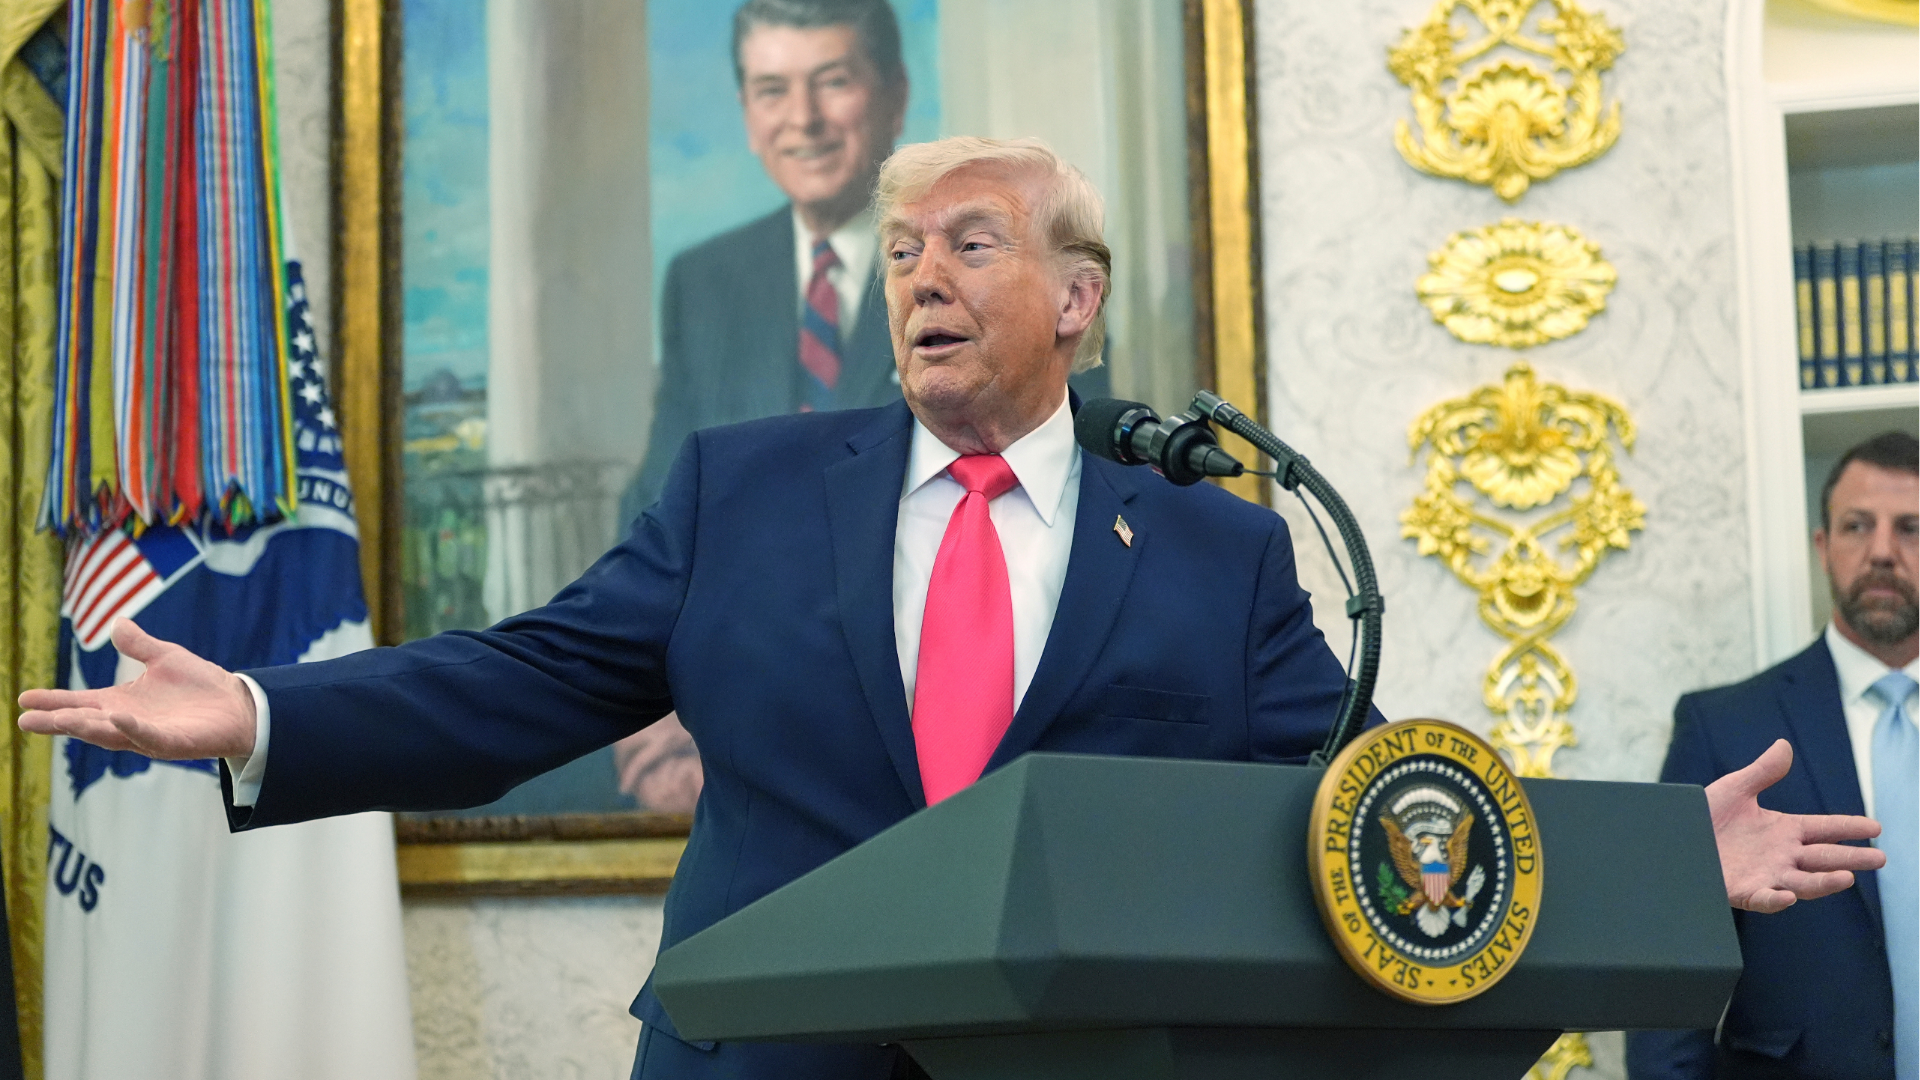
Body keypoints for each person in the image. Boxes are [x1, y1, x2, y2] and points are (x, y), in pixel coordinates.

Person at [19, 138, 1887, 1080]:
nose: (920, 275)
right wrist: (261, 714)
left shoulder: (1218, 545)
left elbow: (1363, 808)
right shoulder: (746, 492)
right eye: (904, 250)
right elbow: (532, 681)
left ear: (1076, 302)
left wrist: (1646, 857)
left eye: (970, 245)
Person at [1628, 430, 1917, 1080]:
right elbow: (1671, 983)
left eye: (1911, 528)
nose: (1881, 552)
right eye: (1855, 526)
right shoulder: (1725, 727)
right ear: (1823, 546)